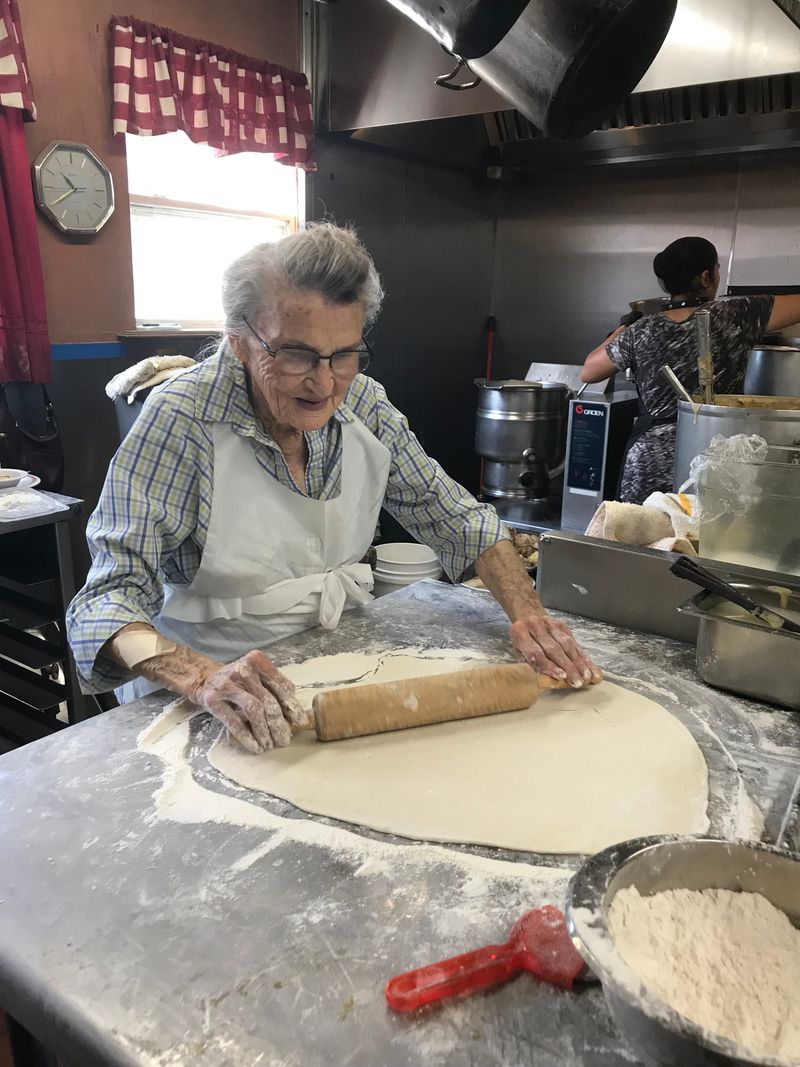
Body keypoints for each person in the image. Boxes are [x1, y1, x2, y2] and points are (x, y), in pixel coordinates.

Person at [67, 223, 599, 754]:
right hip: (208, 694)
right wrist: (201, 677)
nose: (323, 385)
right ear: (239, 342)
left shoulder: (363, 402)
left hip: (336, 660)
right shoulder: (181, 420)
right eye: (295, 355)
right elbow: (103, 603)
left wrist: (528, 614)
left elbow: (457, 518)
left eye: (343, 355)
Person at [581, 236, 800, 504]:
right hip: (713, 456)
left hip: (649, 460)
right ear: (706, 277)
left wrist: (625, 328)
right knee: (702, 540)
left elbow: (588, 372)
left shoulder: (642, 330)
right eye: (717, 269)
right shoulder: (736, 313)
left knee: (640, 540)